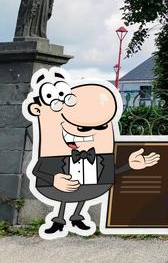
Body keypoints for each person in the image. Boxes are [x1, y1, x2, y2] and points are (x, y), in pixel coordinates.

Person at [23, 68, 160, 238]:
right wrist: (53, 179)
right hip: (59, 187)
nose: (87, 132)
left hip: (91, 187)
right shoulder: (53, 152)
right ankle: (59, 220)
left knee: (83, 191)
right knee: (68, 192)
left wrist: (130, 165)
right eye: (82, 128)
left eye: (101, 126)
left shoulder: (100, 155)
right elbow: (38, 170)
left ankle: (77, 216)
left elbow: (110, 173)